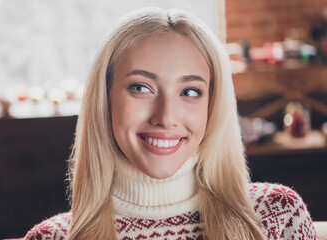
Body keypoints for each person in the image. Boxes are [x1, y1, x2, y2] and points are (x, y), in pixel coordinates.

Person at [25, 8, 318, 240]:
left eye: (190, 92)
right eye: (141, 87)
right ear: (104, 98)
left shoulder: (278, 217)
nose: (166, 117)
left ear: (212, 106)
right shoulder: (50, 238)